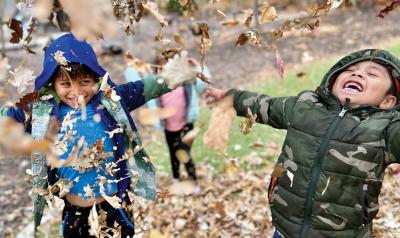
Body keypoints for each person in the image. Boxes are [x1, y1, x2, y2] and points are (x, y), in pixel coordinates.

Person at [0, 33, 197, 237]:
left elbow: (144, 88)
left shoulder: (111, 100)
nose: (76, 92)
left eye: (84, 81)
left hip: (114, 199)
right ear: (52, 84)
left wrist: (175, 75)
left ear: (96, 78)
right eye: (66, 84)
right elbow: (10, 117)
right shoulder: (42, 111)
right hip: (74, 204)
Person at [205, 49, 400, 238]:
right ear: (332, 81)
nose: (357, 73)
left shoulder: (386, 129)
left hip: (344, 233)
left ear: (387, 101)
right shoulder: (306, 106)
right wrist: (230, 97)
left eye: (372, 74)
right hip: (287, 226)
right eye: (349, 70)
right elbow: (266, 105)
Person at [124, 55, 209, 189]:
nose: (167, 68)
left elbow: (202, 84)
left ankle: (194, 183)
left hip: (186, 124)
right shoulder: (156, 85)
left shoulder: (185, 80)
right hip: (169, 127)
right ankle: (176, 177)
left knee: (184, 153)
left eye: (169, 64)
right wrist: (130, 67)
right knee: (173, 153)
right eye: (163, 65)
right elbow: (135, 84)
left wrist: (197, 66)